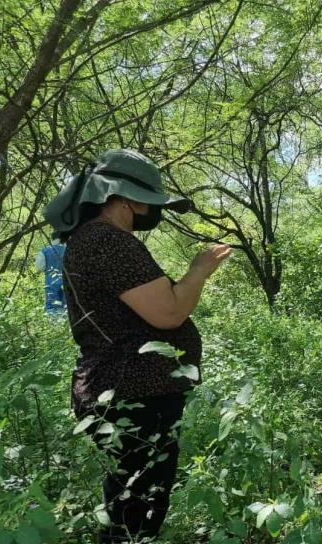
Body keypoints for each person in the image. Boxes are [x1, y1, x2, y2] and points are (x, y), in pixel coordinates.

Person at [43, 149, 233, 543]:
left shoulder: (94, 240)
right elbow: (168, 313)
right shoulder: (107, 240)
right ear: (124, 196)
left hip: (125, 389)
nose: (153, 208)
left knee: (129, 500)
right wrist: (199, 270)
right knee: (137, 509)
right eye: (148, 199)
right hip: (133, 392)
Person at [36, 240, 67, 313]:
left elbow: (40, 267)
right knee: (67, 305)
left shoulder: (45, 250)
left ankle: (54, 322)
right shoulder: (69, 249)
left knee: (52, 306)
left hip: (51, 282)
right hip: (67, 281)